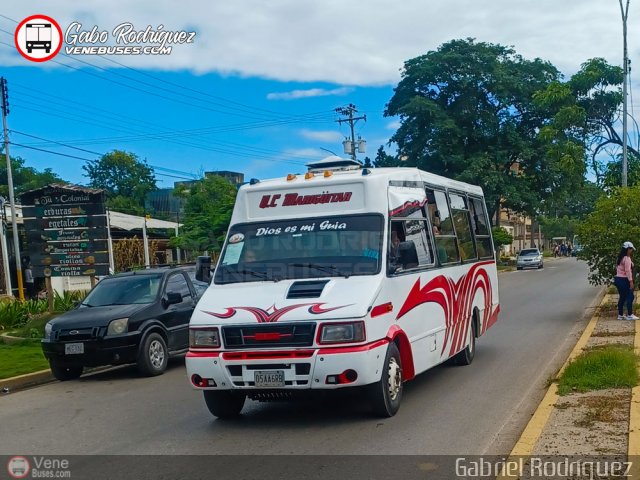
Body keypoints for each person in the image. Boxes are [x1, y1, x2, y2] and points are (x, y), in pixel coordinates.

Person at [615, 241, 639, 320]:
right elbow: (628, 271)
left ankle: (620, 315)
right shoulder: (627, 258)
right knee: (630, 296)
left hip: (618, 279)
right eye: (631, 249)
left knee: (622, 297)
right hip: (624, 279)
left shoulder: (620, 258)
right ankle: (629, 314)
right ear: (628, 249)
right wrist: (631, 281)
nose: (632, 251)